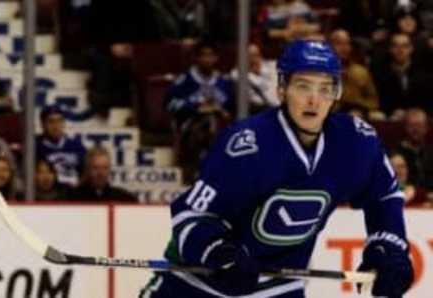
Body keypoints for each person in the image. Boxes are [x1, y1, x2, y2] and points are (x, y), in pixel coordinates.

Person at [141, 40, 413, 298]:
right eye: (303, 86)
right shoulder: (248, 145)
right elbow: (192, 215)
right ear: (281, 88)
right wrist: (219, 253)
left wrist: (388, 246)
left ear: (337, 92)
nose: (314, 100)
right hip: (199, 284)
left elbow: (384, 196)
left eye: (325, 88)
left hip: (278, 288)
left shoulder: (355, 142)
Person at [164, 41, 235, 182]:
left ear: (216, 58)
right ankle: (196, 173)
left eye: (211, 55)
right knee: (206, 124)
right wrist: (195, 107)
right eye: (203, 55)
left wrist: (221, 110)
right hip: (190, 126)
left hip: (220, 128)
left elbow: (232, 108)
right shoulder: (184, 81)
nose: (207, 59)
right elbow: (170, 104)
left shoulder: (224, 82)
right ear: (196, 58)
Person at [329, 29, 380, 117]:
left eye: (347, 43)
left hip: (357, 112)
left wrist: (357, 102)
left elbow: (374, 102)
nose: (344, 48)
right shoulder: (322, 72)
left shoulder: (361, 71)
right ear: (329, 46)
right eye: (339, 43)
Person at [36, 106, 87, 186]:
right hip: (48, 194)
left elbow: (87, 172)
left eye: (59, 121)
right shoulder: (35, 147)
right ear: (42, 124)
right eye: (51, 121)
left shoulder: (76, 146)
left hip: (74, 193)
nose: (56, 126)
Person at [71, 147, 137, 202]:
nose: (100, 173)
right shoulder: (74, 198)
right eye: (95, 168)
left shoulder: (124, 198)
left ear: (110, 169)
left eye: (105, 168)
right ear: (87, 169)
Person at [230, 43, 281, 113]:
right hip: (261, 112)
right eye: (249, 57)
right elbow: (256, 100)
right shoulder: (238, 75)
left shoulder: (272, 67)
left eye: (256, 55)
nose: (254, 59)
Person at [395, 108, 433, 192]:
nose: (415, 129)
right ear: (405, 127)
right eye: (411, 125)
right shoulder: (395, 153)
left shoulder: (430, 152)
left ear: (426, 128)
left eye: (419, 125)